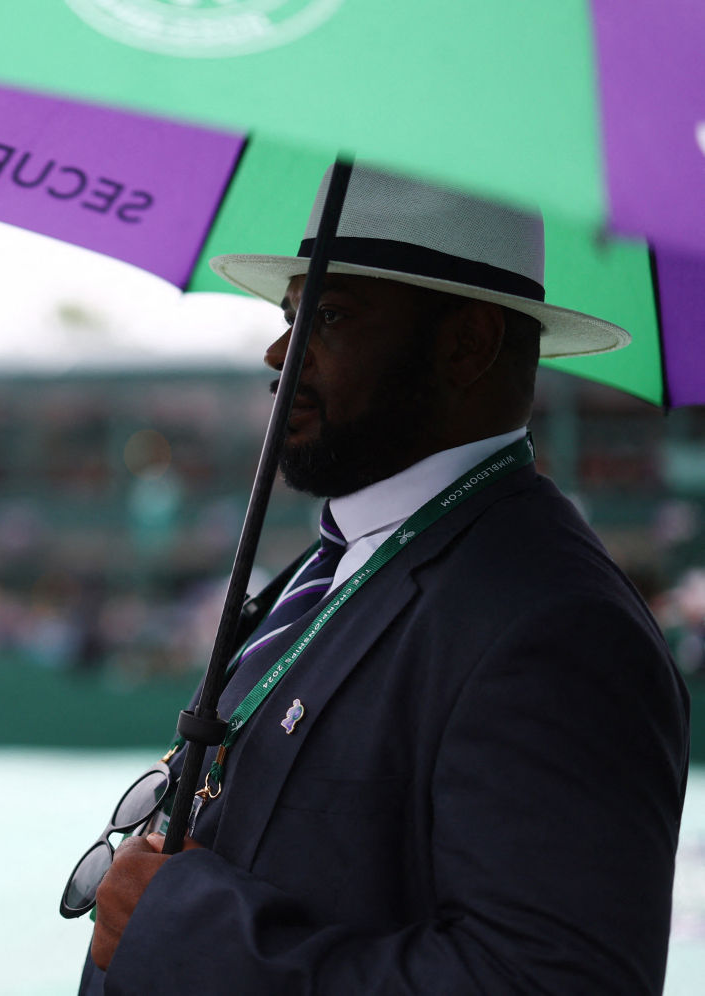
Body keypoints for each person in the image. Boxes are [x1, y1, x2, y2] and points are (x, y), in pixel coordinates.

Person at [73, 165, 689, 994]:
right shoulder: (339, 562)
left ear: (466, 344)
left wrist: (186, 926)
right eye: (290, 316)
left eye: (328, 316)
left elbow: (550, 981)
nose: (280, 353)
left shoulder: (558, 626)